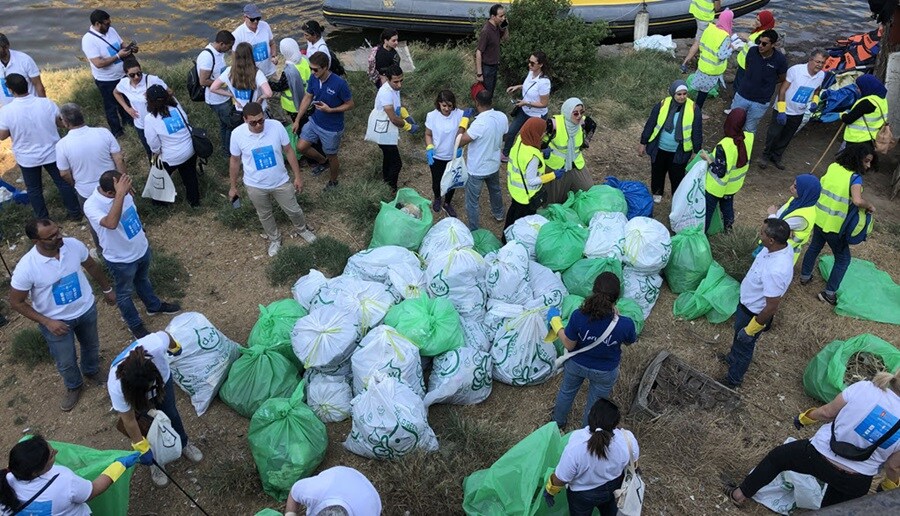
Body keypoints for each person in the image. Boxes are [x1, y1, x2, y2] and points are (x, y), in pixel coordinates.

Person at [727, 370, 900, 508]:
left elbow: (827, 412)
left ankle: (739, 494)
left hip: (818, 455)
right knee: (832, 511)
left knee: (777, 458)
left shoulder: (865, 388)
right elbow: (893, 466)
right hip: (855, 481)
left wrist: (804, 418)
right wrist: (888, 487)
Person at [8, 219, 114, 411]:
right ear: (36, 241)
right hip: (56, 322)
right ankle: (74, 385)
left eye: (58, 231)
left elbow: (91, 266)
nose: (59, 237)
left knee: (91, 345)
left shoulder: (72, 245)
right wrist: (47, 321)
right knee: (65, 360)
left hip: (85, 309)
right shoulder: (27, 267)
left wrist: (107, 289)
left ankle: (91, 370)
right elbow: (16, 302)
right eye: (51, 237)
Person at [84, 171, 182, 339]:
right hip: (121, 259)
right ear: (110, 193)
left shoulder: (123, 192)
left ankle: (153, 306)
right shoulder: (92, 205)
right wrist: (120, 195)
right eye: (123, 188)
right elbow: (111, 223)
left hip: (140, 248)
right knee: (124, 293)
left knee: (143, 279)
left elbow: (131, 213)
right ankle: (135, 325)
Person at [108, 331, 204, 487]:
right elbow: (129, 420)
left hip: (163, 382)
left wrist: (175, 347)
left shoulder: (156, 346)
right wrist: (141, 446)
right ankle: (157, 462)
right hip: (135, 396)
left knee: (171, 414)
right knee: (147, 425)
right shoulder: (116, 387)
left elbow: (167, 335)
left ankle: (184, 443)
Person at [547, 272, 638, 428]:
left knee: (566, 392)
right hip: (605, 371)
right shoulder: (626, 324)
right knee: (595, 404)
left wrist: (556, 324)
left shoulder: (578, 316)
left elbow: (569, 345)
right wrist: (617, 319)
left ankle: (557, 423)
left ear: (593, 291)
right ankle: (586, 432)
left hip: (576, 365)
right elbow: (630, 341)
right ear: (617, 297)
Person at [230, 102, 317, 257]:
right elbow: (235, 161)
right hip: (255, 185)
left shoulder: (276, 127)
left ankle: (302, 229)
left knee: (293, 209)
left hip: (280, 181)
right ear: (244, 120)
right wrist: (233, 186)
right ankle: (275, 239)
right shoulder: (237, 135)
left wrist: (297, 176)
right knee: (264, 214)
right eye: (253, 122)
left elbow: (289, 151)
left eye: (261, 120)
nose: (258, 125)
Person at [720, 218, 792, 388]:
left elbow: (772, 306)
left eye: (762, 233)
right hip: (747, 304)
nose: (759, 234)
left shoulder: (776, 270)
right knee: (738, 340)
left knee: (744, 345)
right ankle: (732, 358)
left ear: (772, 240)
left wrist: (751, 329)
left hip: (752, 313)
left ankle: (733, 379)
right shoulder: (778, 248)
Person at [799, 146, 876, 305]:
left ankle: (805, 276)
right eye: (866, 161)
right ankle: (829, 293)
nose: (868, 166)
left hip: (819, 217)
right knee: (843, 259)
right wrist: (869, 206)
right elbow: (856, 200)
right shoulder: (855, 178)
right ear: (857, 159)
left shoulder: (833, 167)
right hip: (835, 226)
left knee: (814, 246)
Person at [0, 74, 82, 220]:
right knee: (63, 183)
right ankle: (75, 213)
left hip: (27, 158)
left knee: (34, 189)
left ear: (11, 90)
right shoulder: (46, 103)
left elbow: (2, 135)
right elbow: (60, 123)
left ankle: (43, 219)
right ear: (26, 85)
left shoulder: (7, 111)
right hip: (52, 152)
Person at [543, 399, 639, 516]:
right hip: (615, 487)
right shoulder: (627, 439)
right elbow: (634, 464)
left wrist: (550, 490)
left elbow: (562, 477)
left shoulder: (576, 446)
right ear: (615, 422)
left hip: (583, 495)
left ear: (589, 415)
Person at [0, 435, 139, 514]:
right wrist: (119, 466)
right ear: (35, 471)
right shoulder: (62, 479)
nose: (56, 451)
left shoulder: (4, 482)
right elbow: (94, 489)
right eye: (52, 455)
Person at [56, 103, 126, 251]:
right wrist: (123, 181)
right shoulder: (103, 132)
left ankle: (103, 252)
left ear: (65, 122)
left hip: (86, 190)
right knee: (124, 212)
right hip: (112, 185)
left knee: (97, 224)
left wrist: (74, 183)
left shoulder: (62, 145)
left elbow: (63, 173)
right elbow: (119, 159)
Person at [293, 51, 354, 192]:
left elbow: (350, 104)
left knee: (332, 155)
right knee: (301, 147)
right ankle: (322, 161)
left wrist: (331, 110)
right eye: (310, 68)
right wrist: (297, 119)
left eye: (315, 69)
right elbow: (308, 97)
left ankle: (333, 181)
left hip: (331, 128)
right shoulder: (314, 78)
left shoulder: (339, 83)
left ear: (325, 67)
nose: (312, 72)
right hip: (315, 121)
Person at [760, 50, 826, 170]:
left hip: (798, 112)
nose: (820, 65)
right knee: (774, 134)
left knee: (787, 135)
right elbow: (782, 90)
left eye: (822, 63)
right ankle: (766, 155)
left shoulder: (821, 75)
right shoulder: (796, 70)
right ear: (810, 60)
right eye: (817, 62)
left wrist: (815, 101)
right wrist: (781, 110)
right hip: (783, 109)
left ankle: (777, 156)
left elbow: (817, 89)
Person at [639, 80, 703, 203]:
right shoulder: (663, 104)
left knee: (677, 176)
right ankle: (657, 193)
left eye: (685, 94)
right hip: (660, 148)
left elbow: (696, 131)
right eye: (679, 94)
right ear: (673, 93)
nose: (682, 97)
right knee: (657, 171)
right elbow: (651, 123)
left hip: (679, 151)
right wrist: (643, 142)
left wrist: (696, 150)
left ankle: (677, 198)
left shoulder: (693, 108)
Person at [457, 89, 508, 230]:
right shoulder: (502, 116)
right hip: (494, 164)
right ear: (491, 102)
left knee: (472, 201)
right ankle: (499, 214)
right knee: (495, 190)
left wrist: (464, 122)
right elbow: (505, 135)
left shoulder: (479, 124)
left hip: (477, 168)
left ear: (476, 102)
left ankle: (474, 229)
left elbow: (459, 141)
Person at [143, 85, 201, 208]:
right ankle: (194, 202)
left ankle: (159, 202)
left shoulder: (150, 119)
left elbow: (153, 143)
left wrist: (157, 152)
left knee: (159, 177)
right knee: (190, 176)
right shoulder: (176, 106)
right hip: (190, 149)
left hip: (171, 156)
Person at [81, 9, 135, 138]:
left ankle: (129, 124)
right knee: (111, 106)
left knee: (126, 101)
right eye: (106, 23)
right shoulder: (88, 40)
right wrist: (118, 56)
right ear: (98, 24)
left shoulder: (111, 30)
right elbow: (98, 63)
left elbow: (121, 43)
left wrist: (128, 48)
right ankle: (117, 131)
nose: (109, 25)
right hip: (106, 80)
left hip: (122, 74)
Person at [504, 117, 562, 230]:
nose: (544, 134)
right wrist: (553, 175)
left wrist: (541, 153)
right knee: (522, 224)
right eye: (543, 132)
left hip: (515, 190)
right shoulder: (533, 157)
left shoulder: (521, 140)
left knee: (512, 214)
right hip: (527, 196)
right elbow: (531, 181)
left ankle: (505, 236)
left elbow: (523, 160)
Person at [728, 30, 787, 134]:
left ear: (773, 44)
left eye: (764, 44)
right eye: (759, 42)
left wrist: (768, 82)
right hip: (742, 95)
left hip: (760, 102)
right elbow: (747, 67)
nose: (760, 46)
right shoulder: (752, 52)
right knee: (732, 124)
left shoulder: (780, 60)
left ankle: (745, 148)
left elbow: (782, 77)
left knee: (750, 129)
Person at [704, 108, 753, 232]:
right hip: (733, 186)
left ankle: (703, 234)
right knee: (727, 207)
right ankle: (729, 229)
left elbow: (719, 171)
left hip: (716, 187)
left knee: (708, 211)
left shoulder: (724, 145)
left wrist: (708, 159)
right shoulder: (749, 138)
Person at [543, 98, 598, 205]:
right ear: (567, 112)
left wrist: (586, 140)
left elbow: (593, 126)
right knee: (553, 200)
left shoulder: (583, 122)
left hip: (575, 163)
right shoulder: (553, 124)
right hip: (555, 166)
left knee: (587, 190)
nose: (579, 116)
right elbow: (534, 135)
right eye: (575, 113)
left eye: (581, 113)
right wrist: (541, 151)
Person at [113, 57, 169, 160]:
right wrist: (127, 108)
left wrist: (153, 97)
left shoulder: (152, 80)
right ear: (126, 74)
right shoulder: (124, 83)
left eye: (139, 73)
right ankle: (155, 169)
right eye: (132, 75)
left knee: (164, 148)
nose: (136, 77)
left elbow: (169, 92)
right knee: (149, 150)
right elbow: (116, 93)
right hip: (140, 124)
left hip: (158, 121)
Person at [372, 65, 417, 193]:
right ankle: (391, 189)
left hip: (386, 128)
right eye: (396, 81)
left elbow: (396, 106)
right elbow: (393, 118)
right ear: (387, 79)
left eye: (401, 80)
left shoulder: (394, 88)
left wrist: (405, 114)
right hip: (384, 131)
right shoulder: (386, 92)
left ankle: (386, 182)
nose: (399, 84)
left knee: (388, 158)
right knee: (397, 163)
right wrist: (408, 126)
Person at [759, 174, 821, 264]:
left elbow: (775, 229)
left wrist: (772, 215)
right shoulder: (798, 201)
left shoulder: (802, 217)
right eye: (793, 184)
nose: (791, 187)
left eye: (795, 187)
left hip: (780, 255)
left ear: (806, 192)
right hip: (774, 248)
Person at [502, 51, 551, 160]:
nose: (529, 65)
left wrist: (526, 102)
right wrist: (518, 87)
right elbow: (528, 85)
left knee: (532, 139)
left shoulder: (544, 82)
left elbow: (544, 103)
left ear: (541, 64)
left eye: (533, 63)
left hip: (536, 116)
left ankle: (533, 158)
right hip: (524, 111)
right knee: (511, 132)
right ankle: (505, 154)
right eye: (529, 62)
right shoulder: (531, 72)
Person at [425, 90, 465, 216]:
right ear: (439, 104)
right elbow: (428, 134)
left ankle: (447, 203)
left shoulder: (459, 114)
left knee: (451, 182)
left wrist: (459, 146)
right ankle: (437, 198)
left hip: (452, 156)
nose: (447, 109)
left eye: (450, 106)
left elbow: (462, 130)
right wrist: (429, 147)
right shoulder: (432, 116)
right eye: (444, 106)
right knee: (436, 181)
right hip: (437, 156)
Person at [197, 30, 236, 155]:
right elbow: (203, 81)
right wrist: (223, 83)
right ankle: (229, 152)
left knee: (225, 124)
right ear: (221, 43)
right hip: (217, 99)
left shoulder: (218, 53)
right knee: (231, 124)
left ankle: (226, 148)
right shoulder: (207, 57)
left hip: (223, 96)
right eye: (229, 46)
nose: (230, 49)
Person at [284, 466, 383, 515]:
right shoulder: (315, 490)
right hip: (338, 475)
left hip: (368, 495)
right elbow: (294, 493)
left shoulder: (368, 511)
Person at [692, 8, 737, 116]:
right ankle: (697, 112)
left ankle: (695, 108)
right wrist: (731, 49)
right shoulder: (724, 37)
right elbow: (721, 55)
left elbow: (701, 45)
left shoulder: (710, 29)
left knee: (700, 90)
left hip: (703, 64)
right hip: (712, 69)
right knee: (703, 92)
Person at [210, 42, 273, 117]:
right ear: (251, 56)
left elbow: (213, 88)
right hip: (258, 112)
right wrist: (260, 98)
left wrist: (232, 95)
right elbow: (269, 93)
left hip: (241, 112)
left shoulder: (229, 71)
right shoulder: (257, 73)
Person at [841, 74, 889, 157]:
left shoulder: (867, 102)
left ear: (866, 87)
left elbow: (848, 119)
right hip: (871, 139)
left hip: (857, 139)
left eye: (859, 87)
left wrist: (843, 114)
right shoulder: (882, 100)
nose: (858, 90)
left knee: (849, 164)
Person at [732, 10, 775, 94]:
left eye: (759, 20)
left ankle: (736, 103)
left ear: (764, 21)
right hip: (744, 62)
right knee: (739, 83)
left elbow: (759, 48)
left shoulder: (765, 35)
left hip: (747, 64)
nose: (756, 21)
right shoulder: (760, 30)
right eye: (756, 18)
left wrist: (747, 39)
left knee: (739, 86)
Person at [0, 33, 45, 107]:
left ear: (7, 47)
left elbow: (38, 85)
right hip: (9, 108)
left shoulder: (24, 60)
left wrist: (44, 105)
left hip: (30, 105)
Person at [232, 3, 276, 79]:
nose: (255, 21)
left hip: (270, 72)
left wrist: (274, 56)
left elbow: (272, 43)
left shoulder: (265, 26)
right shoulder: (237, 34)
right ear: (244, 17)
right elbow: (235, 57)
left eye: (258, 18)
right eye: (252, 19)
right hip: (252, 76)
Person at [475, 4, 509, 98]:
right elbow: (479, 52)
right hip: (487, 67)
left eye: (504, 15)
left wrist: (505, 26)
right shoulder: (486, 31)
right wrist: (479, 73)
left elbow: (506, 39)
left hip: (494, 65)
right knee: (486, 95)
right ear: (493, 17)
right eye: (501, 16)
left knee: (491, 93)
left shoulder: (497, 27)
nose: (503, 18)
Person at [680, 0, 721, 74]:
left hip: (697, 11)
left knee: (701, 38)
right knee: (698, 43)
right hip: (705, 18)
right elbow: (717, 8)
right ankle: (684, 64)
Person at [278, 38, 311, 126]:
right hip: (310, 101)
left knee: (300, 125)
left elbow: (280, 86)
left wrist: (267, 83)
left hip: (294, 106)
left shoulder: (289, 71)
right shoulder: (305, 59)